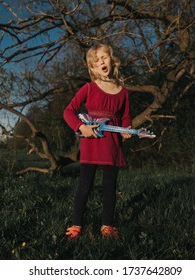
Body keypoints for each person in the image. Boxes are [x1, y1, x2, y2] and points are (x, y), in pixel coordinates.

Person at [63, 43, 132, 239]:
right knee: (85, 185)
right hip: (91, 143)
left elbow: (126, 117)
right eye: (96, 61)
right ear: (92, 69)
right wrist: (81, 127)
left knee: (110, 187)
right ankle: (76, 225)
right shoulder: (89, 88)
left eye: (104, 57)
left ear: (112, 59)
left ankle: (107, 226)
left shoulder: (123, 92)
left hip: (112, 145)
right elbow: (68, 111)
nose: (101, 61)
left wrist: (127, 129)